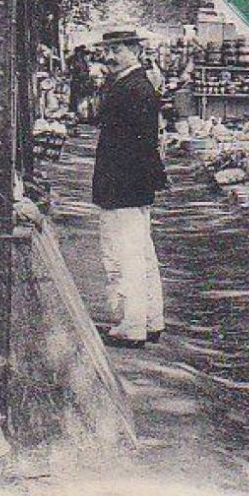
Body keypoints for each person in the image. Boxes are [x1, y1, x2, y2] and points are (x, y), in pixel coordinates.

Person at [91, 30, 168, 348]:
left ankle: (131, 325)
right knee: (141, 254)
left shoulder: (131, 88)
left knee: (124, 256)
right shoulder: (135, 84)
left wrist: (117, 184)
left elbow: (132, 146)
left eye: (117, 49)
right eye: (107, 49)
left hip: (122, 183)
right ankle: (150, 319)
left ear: (135, 50)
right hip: (132, 184)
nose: (109, 56)